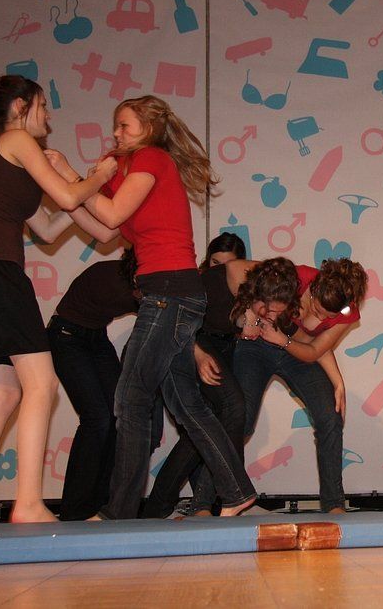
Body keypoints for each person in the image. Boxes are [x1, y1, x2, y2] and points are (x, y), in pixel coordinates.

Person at [59, 95, 256, 519]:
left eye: (124, 126)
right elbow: (105, 230)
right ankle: (237, 491)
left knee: (131, 398)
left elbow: (112, 214)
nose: (116, 133)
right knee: (185, 404)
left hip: (170, 293)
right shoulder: (133, 171)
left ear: (148, 129)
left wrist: (75, 178)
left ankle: (119, 511)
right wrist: (73, 190)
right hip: (171, 294)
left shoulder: (151, 158)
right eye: (115, 125)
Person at [0, 74, 116, 525]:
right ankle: (27, 503)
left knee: (2, 396)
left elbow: (46, 227)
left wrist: (82, 194)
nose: (49, 115)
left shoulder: (12, 153)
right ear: (22, 107)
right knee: (42, 385)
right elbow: (66, 194)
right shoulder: (16, 139)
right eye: (44, 105)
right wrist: (96, 176)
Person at [234, 258, 367, 514]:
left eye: (328, 316)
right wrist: (250, 312)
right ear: (314, 288)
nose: (319, 317)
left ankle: (334, 504)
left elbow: (315, 350)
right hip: (257, 346)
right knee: (241, 420)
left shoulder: (348, 313)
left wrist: (338, 382)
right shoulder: (298, 276)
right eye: (316, 308)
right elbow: (242, 273)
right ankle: (205, 502)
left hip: (296, 350)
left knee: (330, 416)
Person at [142, 234, 249, 519]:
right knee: (228, 412)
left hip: (224, 348)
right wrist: (198, 354)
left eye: (228, 264)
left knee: (200, 432)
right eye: (215, 262)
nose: (220, 269)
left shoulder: (244, 286)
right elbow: (179, 320)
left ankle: (165, 507)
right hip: (195, 345)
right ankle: (217, 499)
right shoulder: (198, 282)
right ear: (206, 261)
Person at [48, 248, 139, 521]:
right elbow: (153, 306)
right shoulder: (115, 280)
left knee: (117, 416)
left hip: (95, 338)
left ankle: (99, 505)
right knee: (97, 419)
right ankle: (74, 510)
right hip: (65, 335)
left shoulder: (134, 283)